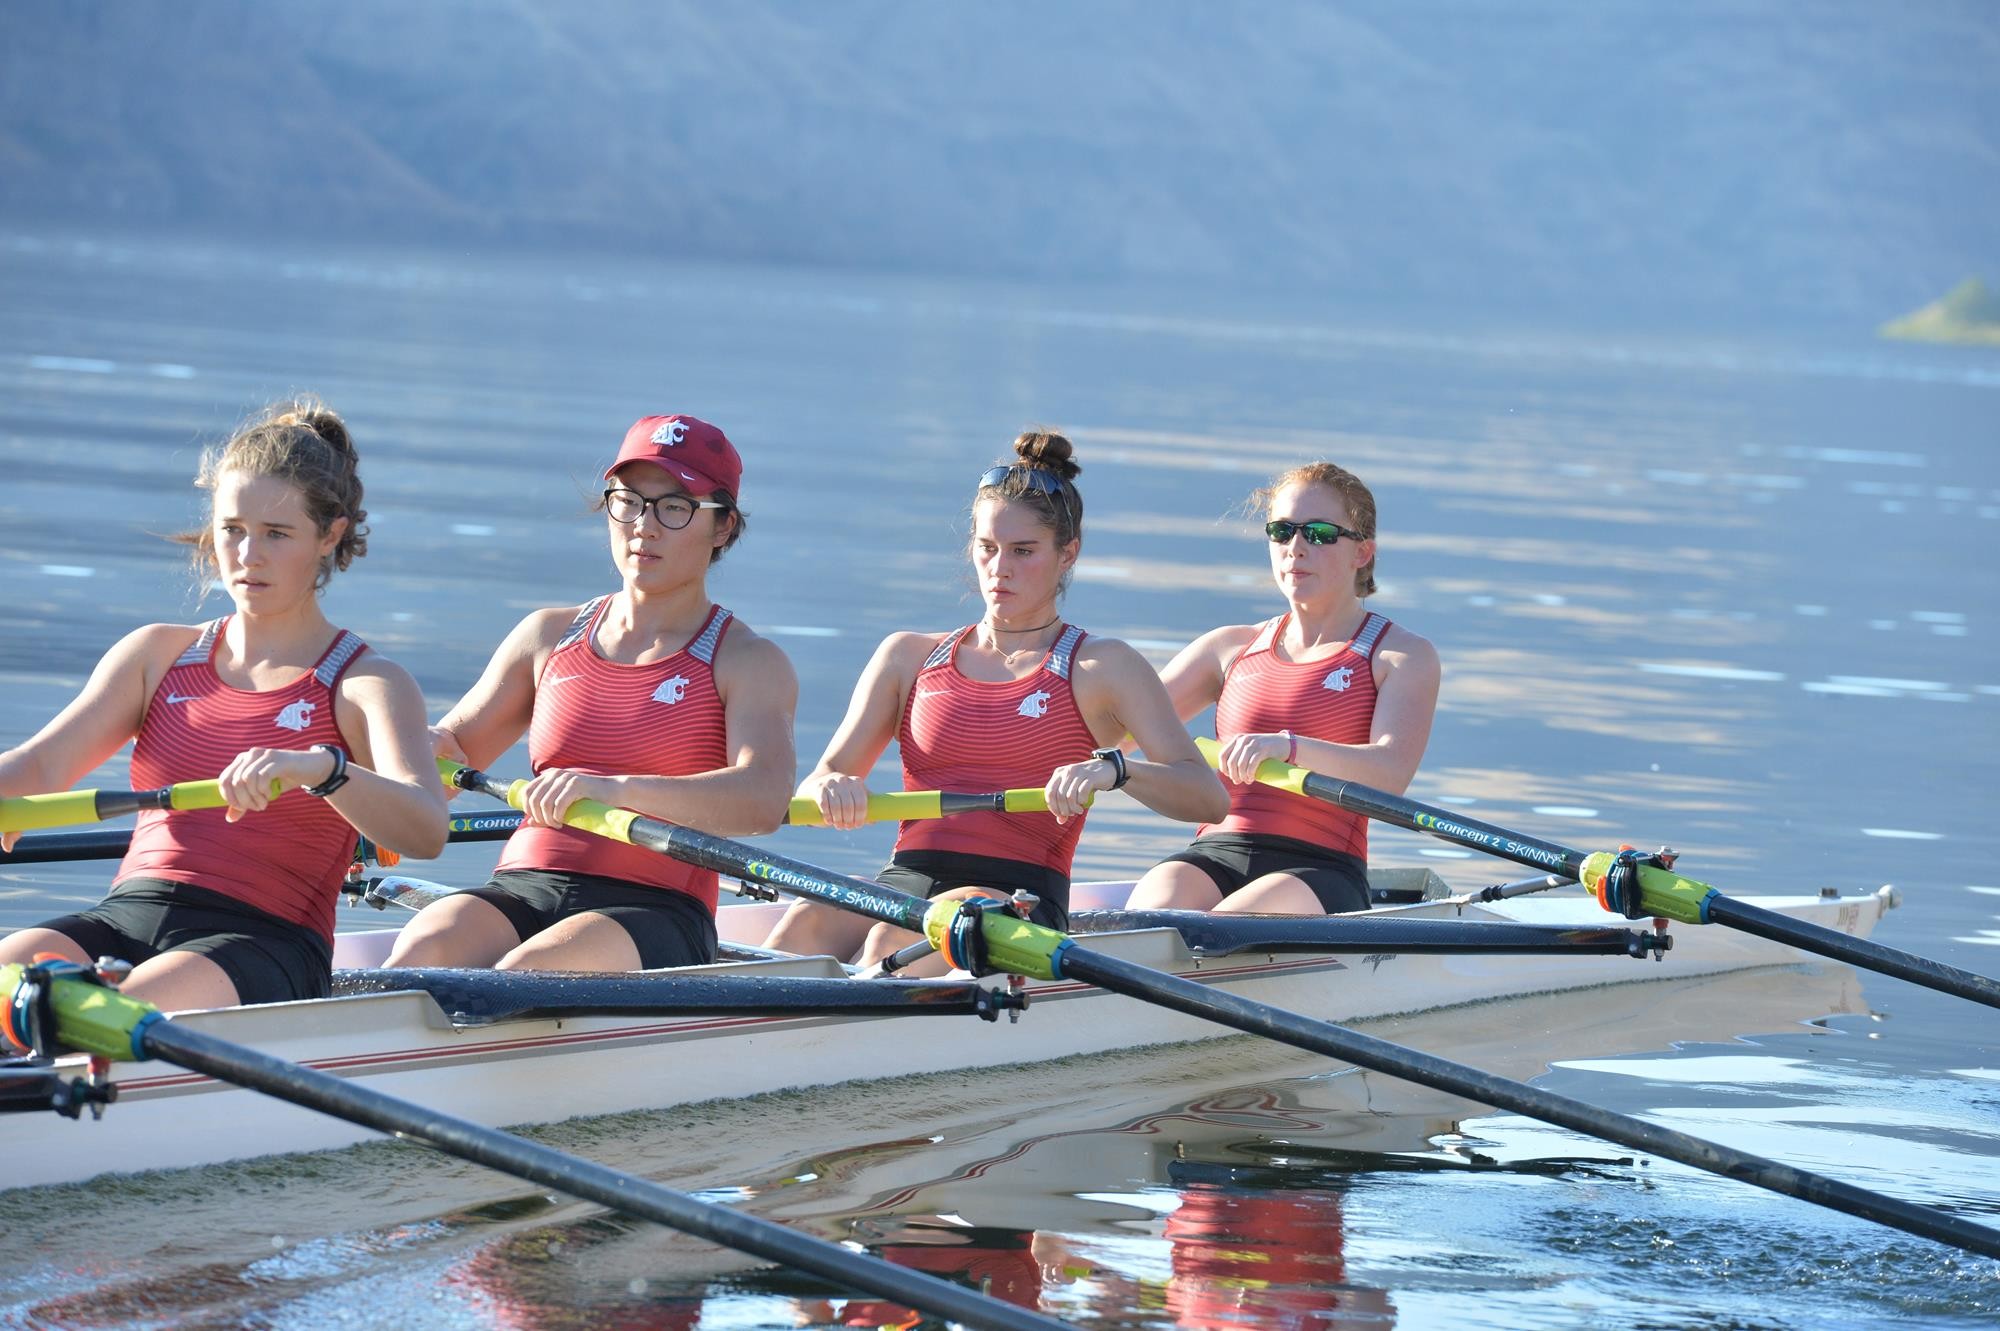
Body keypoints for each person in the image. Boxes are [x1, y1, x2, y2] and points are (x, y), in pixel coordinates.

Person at [0, 399, 448, 1010]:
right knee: (11, 968)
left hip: (263, 940)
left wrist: (324, 771)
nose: (247, 555)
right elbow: (41, 768)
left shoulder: (366, 683)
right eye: (232, 529)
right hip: (127, 915)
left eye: (276, 534)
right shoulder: (155, 655)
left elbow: (425, 829)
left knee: (110, 1013)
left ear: (330, 535)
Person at [763, 429, 1226, 972]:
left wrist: (1116, 771)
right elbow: (823, 779)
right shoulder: (907, 657)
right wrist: (832, 787)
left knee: (890, 944)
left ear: (1067, 554)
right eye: (987, 548)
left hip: (1020, 897)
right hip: (906, 879)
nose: (1000, 567)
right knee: (805, 922)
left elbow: (1207, 797)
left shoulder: (1102, 666)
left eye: (1023, 551)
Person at [384, 414, 796, 972]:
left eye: (675, 507)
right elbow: (448, 759)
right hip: (525, 885)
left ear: (722, 527)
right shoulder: (546, 636)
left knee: (523, 976)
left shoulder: (748, 661)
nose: (643, 527)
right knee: (419, 953)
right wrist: (414, 752)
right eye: (628, 501)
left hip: (655, 907)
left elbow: (764, 798)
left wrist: (612, 788)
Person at [1126, 460, 1439, 915]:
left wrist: (1288, 747)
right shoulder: (1228, 648)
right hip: (1215, 852)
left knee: (1220, 930)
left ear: (1362, 552)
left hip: (1321, 868)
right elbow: (1112, 728)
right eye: (1281, 531)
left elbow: (1390, 774)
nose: (1296, 547)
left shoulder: (1400, 655)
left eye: (1319, 533)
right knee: (1148, 916)